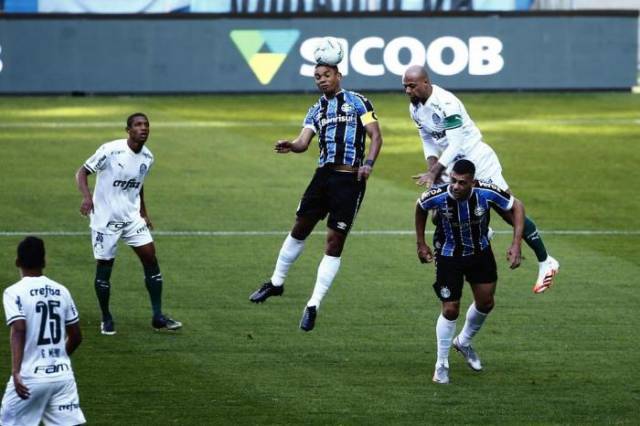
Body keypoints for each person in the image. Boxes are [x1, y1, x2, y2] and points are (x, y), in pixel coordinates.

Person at [249, 62, 383, 332]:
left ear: (338, 76)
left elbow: (376, 136)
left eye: (327, 75)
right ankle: (276, 283)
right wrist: (291, 145)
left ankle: (313, 304)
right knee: (300, 228)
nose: (322, 80)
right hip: (323, 177)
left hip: (350, 179)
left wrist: (368, 163)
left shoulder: (358, 102)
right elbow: (303, 142)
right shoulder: (316, 109)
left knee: (334, 242)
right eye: (317, 77)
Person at [402, 65, 559, 294]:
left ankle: (546, 261)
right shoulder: (414, 107)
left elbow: (455, 143)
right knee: (439, 215)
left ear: (426, 82)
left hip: (477, 160)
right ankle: (482, 230)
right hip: (452, 165)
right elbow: (427, 137)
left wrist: (436, 171)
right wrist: (431, 170)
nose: (407, 91)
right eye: (405, 86)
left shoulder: (447, 103)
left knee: (508, 210)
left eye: (412, 86)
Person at [415, 159, 524, 384]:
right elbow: (420, 207)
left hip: (479, 253)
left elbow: (517, 206)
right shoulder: (439, 194)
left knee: (486, 303)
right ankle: (441, 364)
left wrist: (516, 244)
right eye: (453, 181)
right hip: (448, 255)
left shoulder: (486, 191)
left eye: (461, 183)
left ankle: (463, 342)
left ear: (472, 182)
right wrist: (421, 243)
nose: (455, 186)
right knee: (451, 309)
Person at [75, 112, 182, 335]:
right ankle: (106, 318)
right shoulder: (111, 150)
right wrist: (87, 197)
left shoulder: (148, 157)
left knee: (151, 259)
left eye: (146, 125)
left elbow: (138, 183)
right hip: (105, 220)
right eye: (138, 125)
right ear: (128, 130)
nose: (144, 128)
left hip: (132, 219)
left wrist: (143, 212)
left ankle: (158, 317)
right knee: (105, 269)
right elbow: (82, 172)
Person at [1, 236, 86, 425]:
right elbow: (76, 336)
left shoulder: (13, 292)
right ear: (44, 262)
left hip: (29, 377)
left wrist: (16, 371)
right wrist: (58, 360)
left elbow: (19, 329)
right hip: (62, 377)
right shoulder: (62, 290)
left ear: (17, 262)